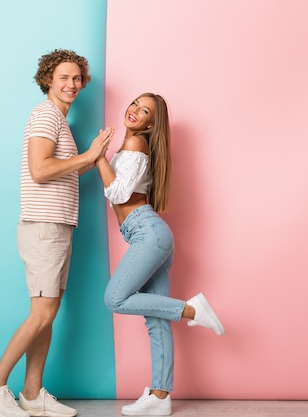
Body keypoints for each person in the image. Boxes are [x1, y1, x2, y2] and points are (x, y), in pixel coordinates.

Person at [0, 49, 113, 417]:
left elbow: (59, 170)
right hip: (43, 228)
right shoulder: (44, 116)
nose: (71, 84)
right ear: (48, 80)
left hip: (58, 226)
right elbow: (40, 169)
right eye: (63, 77)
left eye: (77, 78)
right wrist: (90, 155)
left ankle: (32, 395)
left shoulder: (59, 121)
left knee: (47, 314)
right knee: (41, 313)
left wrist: (91, 159)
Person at [95, 93, 225, 416]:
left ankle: (192, 310)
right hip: (150, 234)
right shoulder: (131, 149)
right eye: (135, 104)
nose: (135, 111)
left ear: (152, 124)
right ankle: (160, 395)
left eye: (145, 111)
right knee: (156, 320)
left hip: (147, 233)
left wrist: (97, 157)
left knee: (115, 298)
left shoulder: (136, 146)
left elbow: (120, 193)